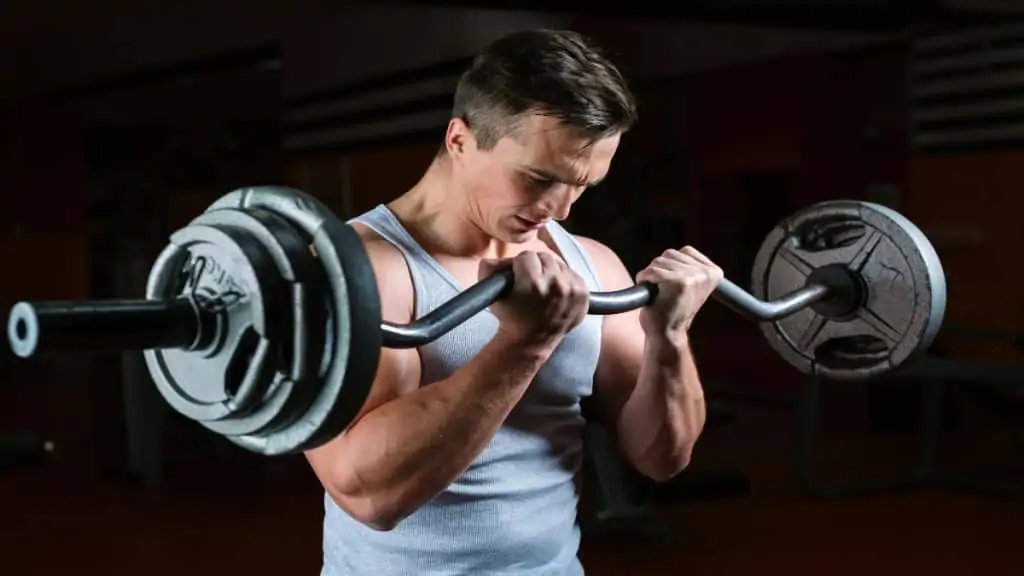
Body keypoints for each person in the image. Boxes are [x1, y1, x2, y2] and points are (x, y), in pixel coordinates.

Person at [304, 28, 723, 575]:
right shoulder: (360, 270)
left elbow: (662, 458)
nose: (560, 209)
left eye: (581, 186)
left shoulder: (591, 264)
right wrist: (524, 343)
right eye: (536, 178)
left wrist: (668, 338)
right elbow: (369, 497)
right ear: (460, 140)